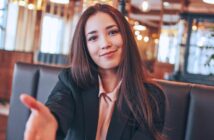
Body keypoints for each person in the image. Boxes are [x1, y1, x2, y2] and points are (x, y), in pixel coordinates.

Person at [20, 3, 166, 140]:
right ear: (85, 47)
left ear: (126, 36)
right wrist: (51, 121)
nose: (105, 44)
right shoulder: (71, 81)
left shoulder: (152, 97)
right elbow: (58, 106)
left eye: (113, 32)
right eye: (93, 38)